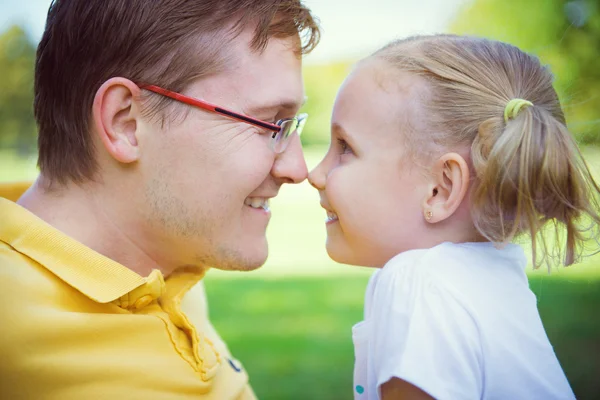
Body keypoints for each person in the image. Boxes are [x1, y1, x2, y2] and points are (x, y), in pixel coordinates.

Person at [0, 0, 320, 398]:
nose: (298, 169)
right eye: (271, 124)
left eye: (291, 126)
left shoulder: (171, 266)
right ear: (126, 123)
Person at [308, 34, 598, 399]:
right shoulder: (488, 277)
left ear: (440, 189)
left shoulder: (420, 283)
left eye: (345, 148)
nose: (315, 174)